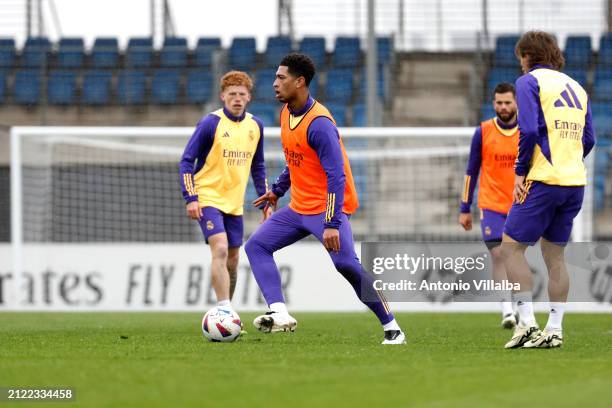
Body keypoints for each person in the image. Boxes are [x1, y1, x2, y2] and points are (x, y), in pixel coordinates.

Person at [244, 53, 405, 345]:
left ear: (300, 81)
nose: (274, 84)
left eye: (281, 78)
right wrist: (277, 191)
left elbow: (336, 177)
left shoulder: (320, 124)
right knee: (256, 246)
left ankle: (392, 327)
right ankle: (279, 313)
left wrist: (331, 222)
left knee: (346, 266)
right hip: (297, 208)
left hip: (327, 210)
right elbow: (295, 161)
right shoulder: (285, 114)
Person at [501, 31, 596, 349]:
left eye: (520, 59)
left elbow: (527, 129)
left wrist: (520, 171)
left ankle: (526, 323)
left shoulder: (528, 82)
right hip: (574, 184)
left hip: (543, 181)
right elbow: (590, 140)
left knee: (510, 249)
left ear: (527, 56)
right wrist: (569, 160)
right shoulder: (578, 88)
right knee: (556, 258)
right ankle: (554, 330)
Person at [179, 71, 271, 313]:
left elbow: (258, 166)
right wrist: (191, 198)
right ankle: (223, 309)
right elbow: (187, 161)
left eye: (242, 94)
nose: (237, 98)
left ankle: (227, 312)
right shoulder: (210, 123)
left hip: (235, 203)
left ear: (249, 97)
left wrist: (266, 201)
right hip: (208, 196)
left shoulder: (256, 126)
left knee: (233, 259)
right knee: (219, 248)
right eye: (232, 94)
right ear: (223, 96)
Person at [460, 83, 520, 329]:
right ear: (493, 103)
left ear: (516, 102)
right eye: (499, 102)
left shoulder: (527, 131)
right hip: (491, 203)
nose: (503, 107)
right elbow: (471, 171)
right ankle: (507, 310)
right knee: (498, 254)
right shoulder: (483, 131)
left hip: (521, 205)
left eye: (507, 102)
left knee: (515, 257)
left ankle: (518, 307)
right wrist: (465, 207)